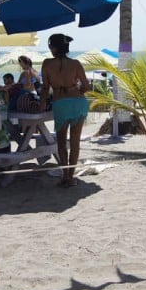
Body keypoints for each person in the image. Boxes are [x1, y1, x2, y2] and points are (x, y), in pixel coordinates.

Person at [41, 33, 91, 187]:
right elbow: (87, 86)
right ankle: (71, 175)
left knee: (61, 142)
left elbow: (45, 88)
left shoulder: (47, 64)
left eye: (50, 46)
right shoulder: (76, 63)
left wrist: (42, 104)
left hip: (60, 103)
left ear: (54, 47)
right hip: (78, 102)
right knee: (75, 142)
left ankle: (66, 176)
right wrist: (77, 90)